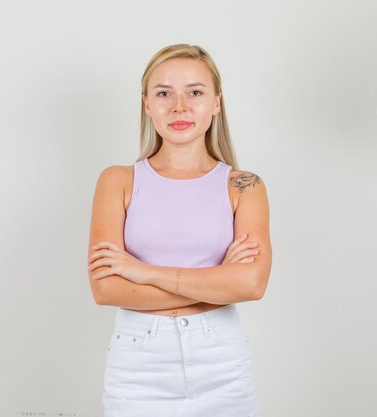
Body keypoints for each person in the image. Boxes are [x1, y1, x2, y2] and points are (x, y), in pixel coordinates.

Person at [87, 43, 272, 417]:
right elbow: (106, 289)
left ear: (216, 103)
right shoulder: (117, 181)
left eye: (195, 92)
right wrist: (217, 283)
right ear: (147, 105)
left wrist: (144, 272)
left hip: (221, 359)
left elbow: (251, 285)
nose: (179, 107)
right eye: (164, 93)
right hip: (139, 364)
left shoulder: (245, 185)